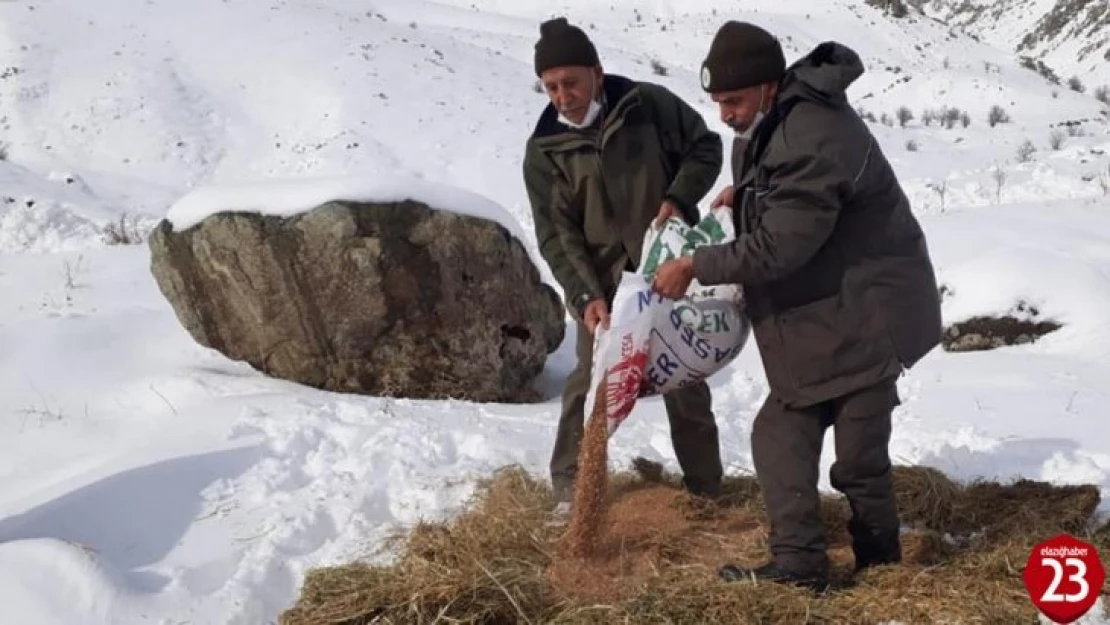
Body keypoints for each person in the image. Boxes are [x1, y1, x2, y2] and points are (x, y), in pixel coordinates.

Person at [651, 21, 943, 590]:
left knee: (858, 460)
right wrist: (747, 192)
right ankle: (801, 566)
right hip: (824, 314)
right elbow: (782, 189)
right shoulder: (772, 121)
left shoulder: (814, 132)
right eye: (716, 102)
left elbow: (783, 245)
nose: (724, 114)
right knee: (781, 436)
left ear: (768, 85)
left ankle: (880, 570)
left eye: (732, 100)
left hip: (870, 314)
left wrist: (695, 266)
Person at [521, 17, 726, 511]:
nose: (562, 96)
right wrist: (585, 296)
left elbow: (705, 147)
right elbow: (557, 235)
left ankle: (707, 493)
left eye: (570, 82)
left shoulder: (648, 105)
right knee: (591, 388)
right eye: (550, 87)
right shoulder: (544, 151)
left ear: (596, 71)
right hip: (605, 290)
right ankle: (572, 495)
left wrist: (679, 196)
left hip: (668, 273)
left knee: (686, 382)